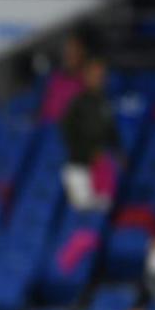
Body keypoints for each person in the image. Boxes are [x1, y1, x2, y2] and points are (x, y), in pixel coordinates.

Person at [60, 58, 120, 211]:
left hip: (100, 167)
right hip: (79, 166)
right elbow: (68, 130)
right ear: (86, 77)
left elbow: (110, 131)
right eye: (95, 74)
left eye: (102, 75)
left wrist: (116, 152)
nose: (99, 78)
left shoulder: (105, 102)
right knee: (81, 211)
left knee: (102, 209)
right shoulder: (78, 103)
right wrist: (88, 151)